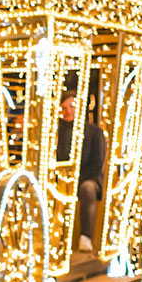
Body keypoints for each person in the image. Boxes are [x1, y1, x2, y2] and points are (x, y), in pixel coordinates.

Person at [56, 89, 106, 251]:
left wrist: (76, 179)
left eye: (72, 106)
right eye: (64, 108)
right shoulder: (55, 133)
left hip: (88, 178)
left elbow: (96, 163)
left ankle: (86, 236)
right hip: (61, 178)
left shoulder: (94, 132)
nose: (68, 111)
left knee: (87, 189)